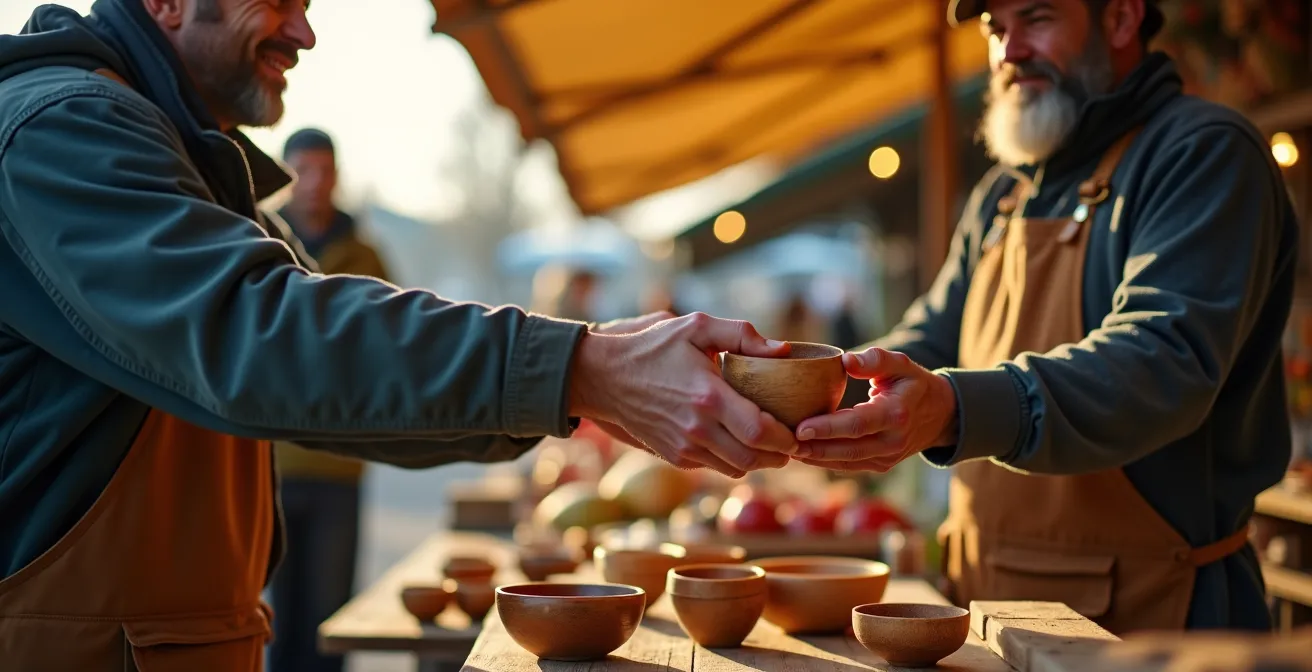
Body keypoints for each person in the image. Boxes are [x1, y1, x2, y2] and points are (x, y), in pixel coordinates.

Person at [0, 1, 800, 668]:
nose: (303, 32)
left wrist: (589, 386)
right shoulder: (67, 127)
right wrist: (580, 369)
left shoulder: (173, 149)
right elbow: (267, 333)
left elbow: (352, 369)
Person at [792, 0, 1298, 635]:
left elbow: (1161, 360)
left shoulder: (1204, 155)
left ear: (1119, 18)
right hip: (981, 606)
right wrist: (819, 386)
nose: (1010, 53)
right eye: (995, 30)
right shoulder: (1002, 195)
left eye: (1036, 19)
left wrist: (953, 407)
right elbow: (929, 337)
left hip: (1151, 620)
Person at [267, 128, 390, 672]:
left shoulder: (364, 256)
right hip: (272, 464)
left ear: (337, 176)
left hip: (341, 465)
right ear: (285, 175)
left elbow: (392, 345)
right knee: (276, 621)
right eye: (302, 171)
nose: (315, 183)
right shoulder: (259, 244)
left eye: (324, 170)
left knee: (330, 616)